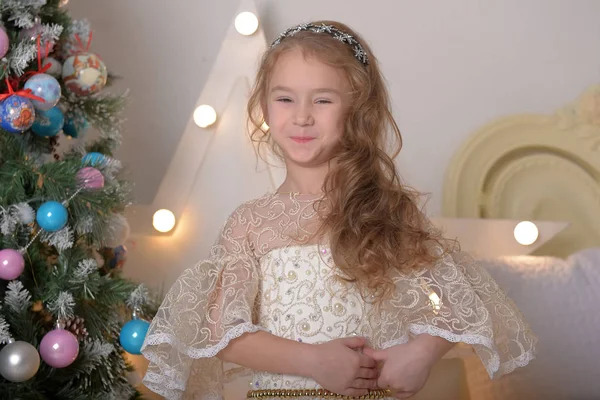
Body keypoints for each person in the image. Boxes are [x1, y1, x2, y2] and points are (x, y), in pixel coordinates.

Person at [141, 21, 537, 400]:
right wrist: (313, 361)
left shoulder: (384, 210)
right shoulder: (251, 223)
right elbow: (218, 330)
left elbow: (461, 302)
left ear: (357, 109)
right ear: (264, 105)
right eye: (285, 98)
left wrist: (421, 353)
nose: (301, 116)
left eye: (323, 100)